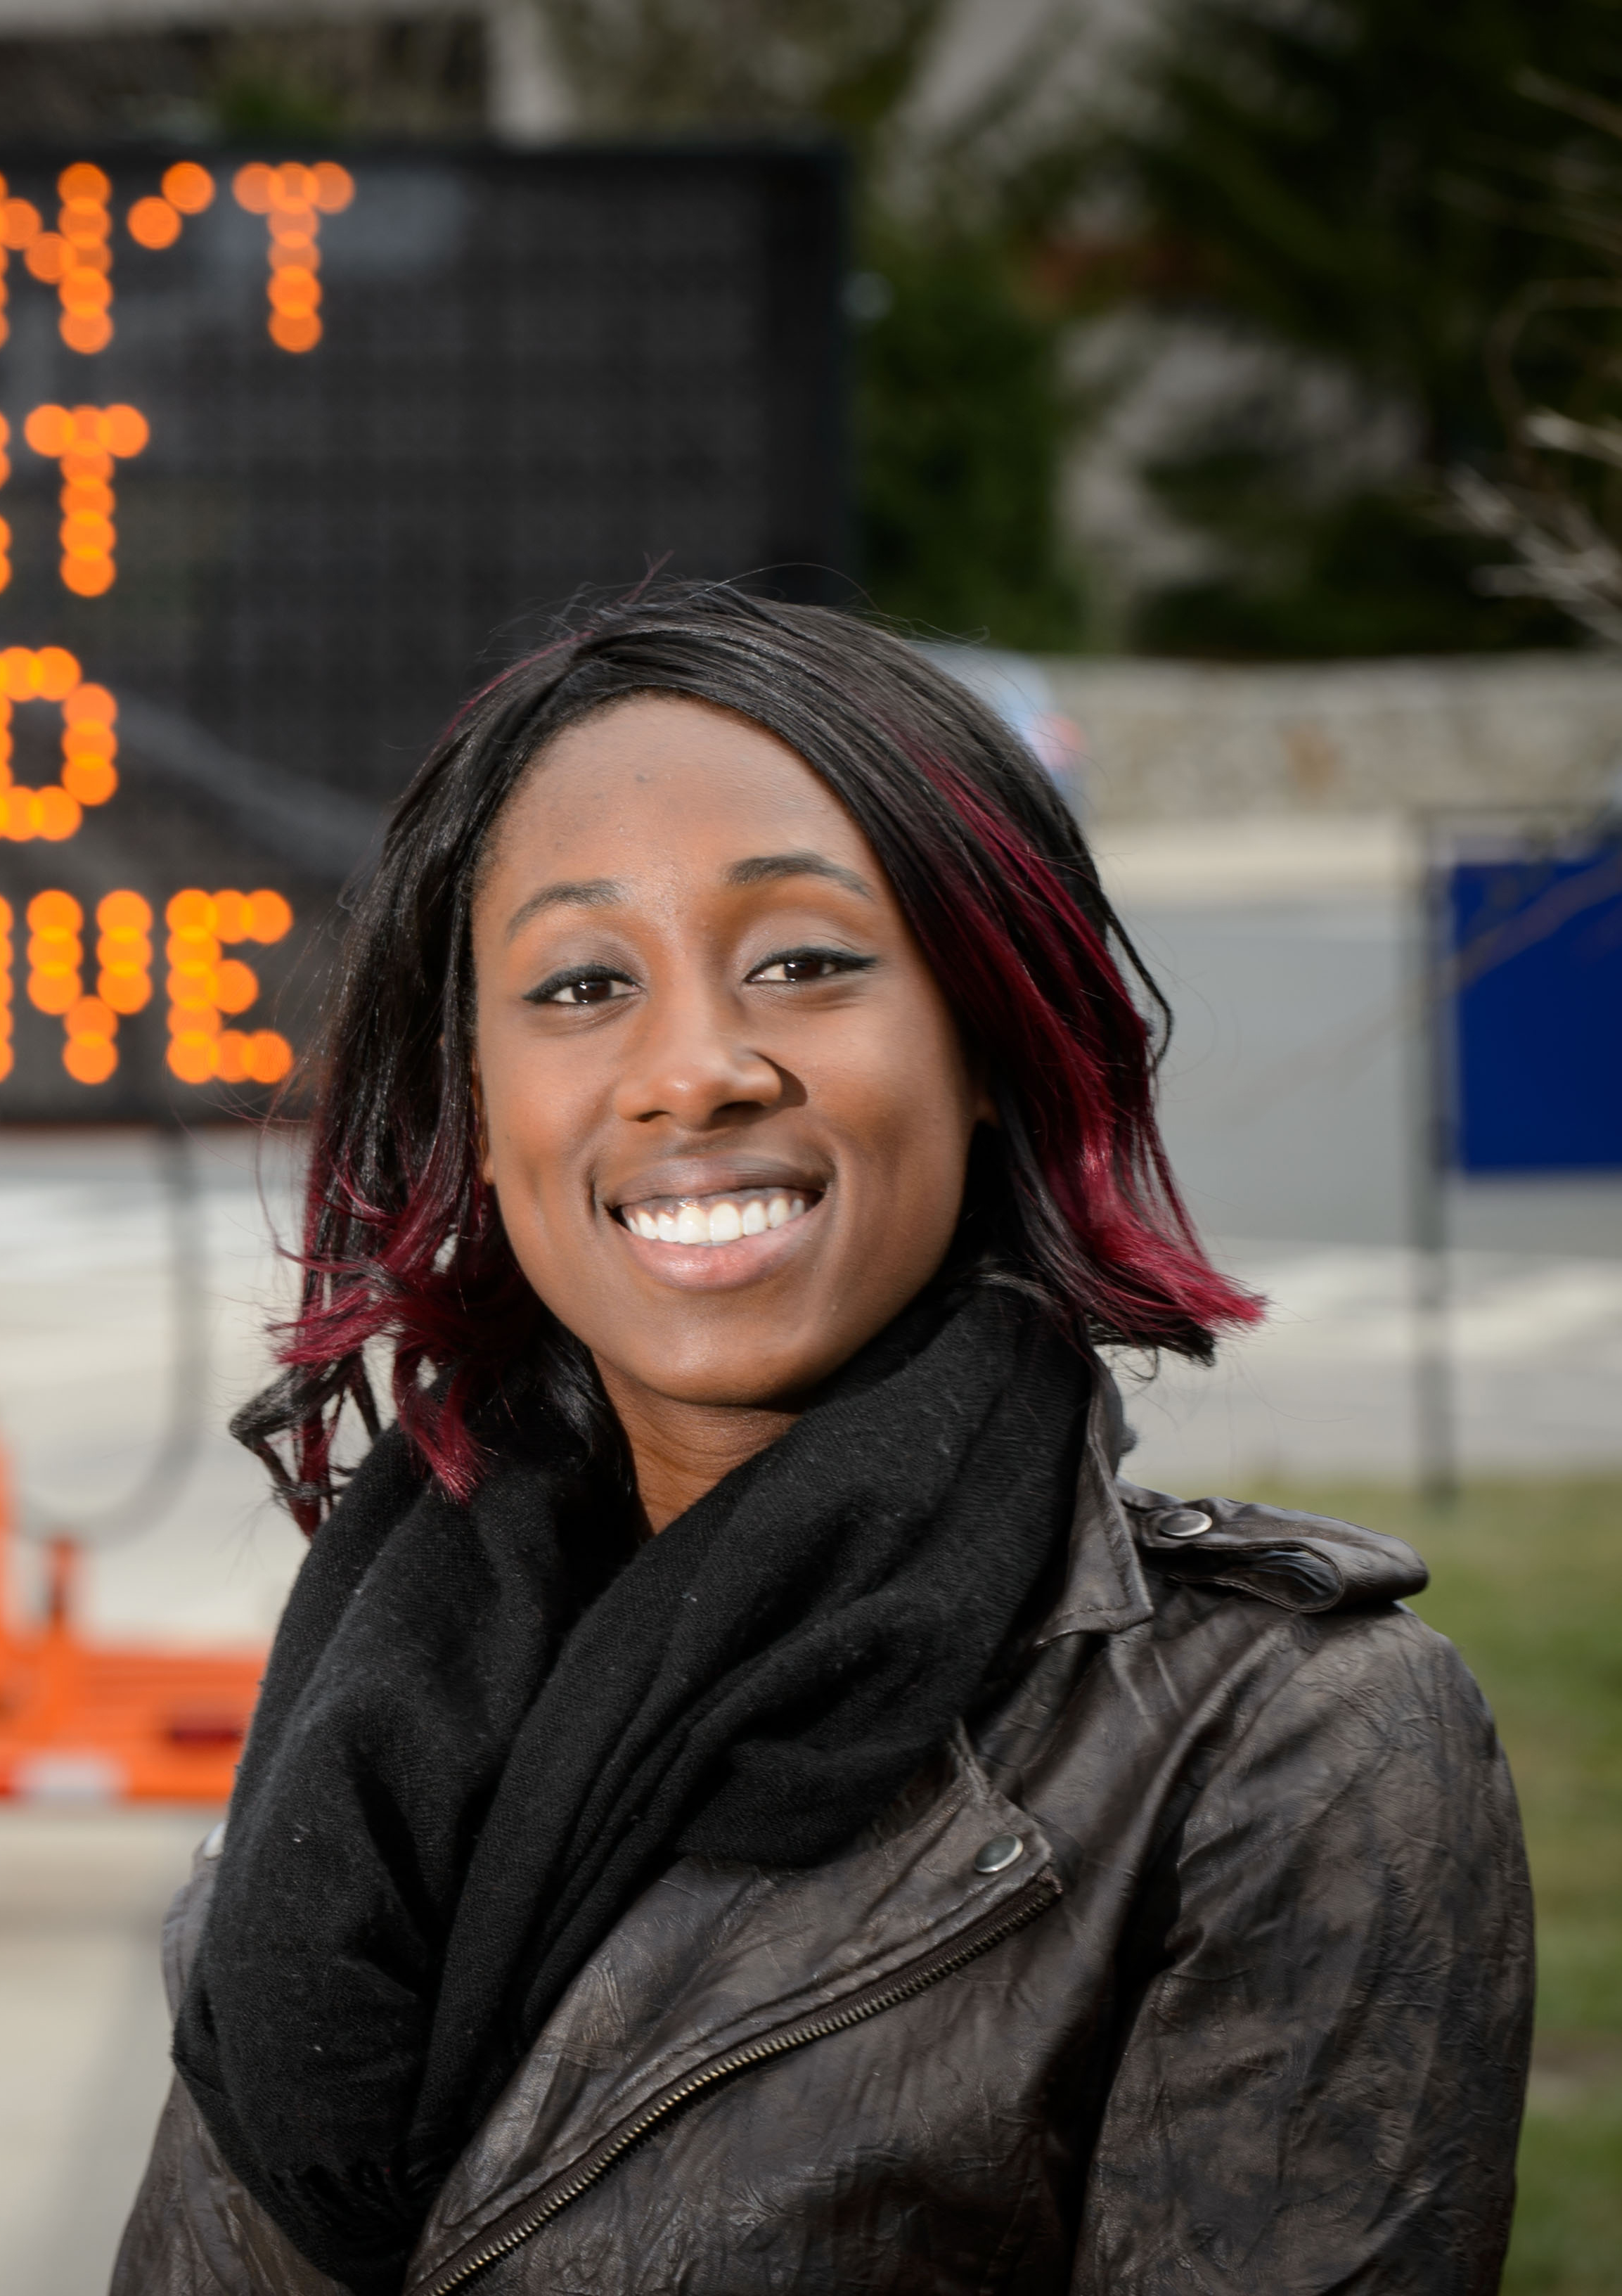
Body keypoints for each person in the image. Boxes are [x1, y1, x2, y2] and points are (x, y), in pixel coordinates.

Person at [111, 585, 1533, 2295]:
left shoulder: (1279, 1755)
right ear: (477, 1111)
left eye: (802, 961)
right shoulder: (357, 1742)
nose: (692, 1069)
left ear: (984, 1038)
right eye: (578, 983)